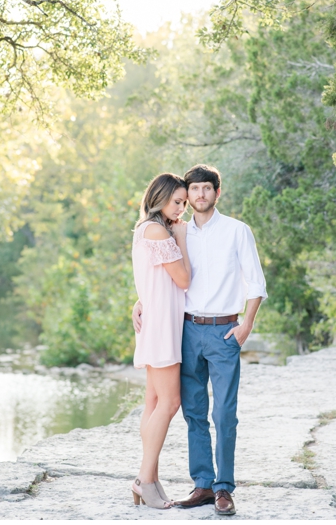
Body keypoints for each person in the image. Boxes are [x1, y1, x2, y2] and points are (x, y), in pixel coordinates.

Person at [133, 164, 267, 516]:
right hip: (186, 330)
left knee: (224, 413)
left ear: (217, 193)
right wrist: (141, 300)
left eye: (207, 189)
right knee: (193, 412)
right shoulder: (176, 229)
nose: (200, 195)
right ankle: (203, 485)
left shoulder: (238, 231)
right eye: (193, 190)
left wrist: (246, 326)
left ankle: (224, 488)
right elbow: (159, 274)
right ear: (187, 195)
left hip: (224, 331)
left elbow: (256, 283)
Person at [130, 173, 191, 509]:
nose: (181, 208)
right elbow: (182, 279)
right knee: (169, 403)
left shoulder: (146, 229)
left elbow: (150, 280)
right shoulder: (158, 231)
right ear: (159, 197)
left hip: (156, 320)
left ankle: (149, 476)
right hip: (163, 325)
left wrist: (139, 302)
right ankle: (145, 479)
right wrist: (180, 238)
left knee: (154, 402)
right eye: (176, 201)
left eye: (183, 202)